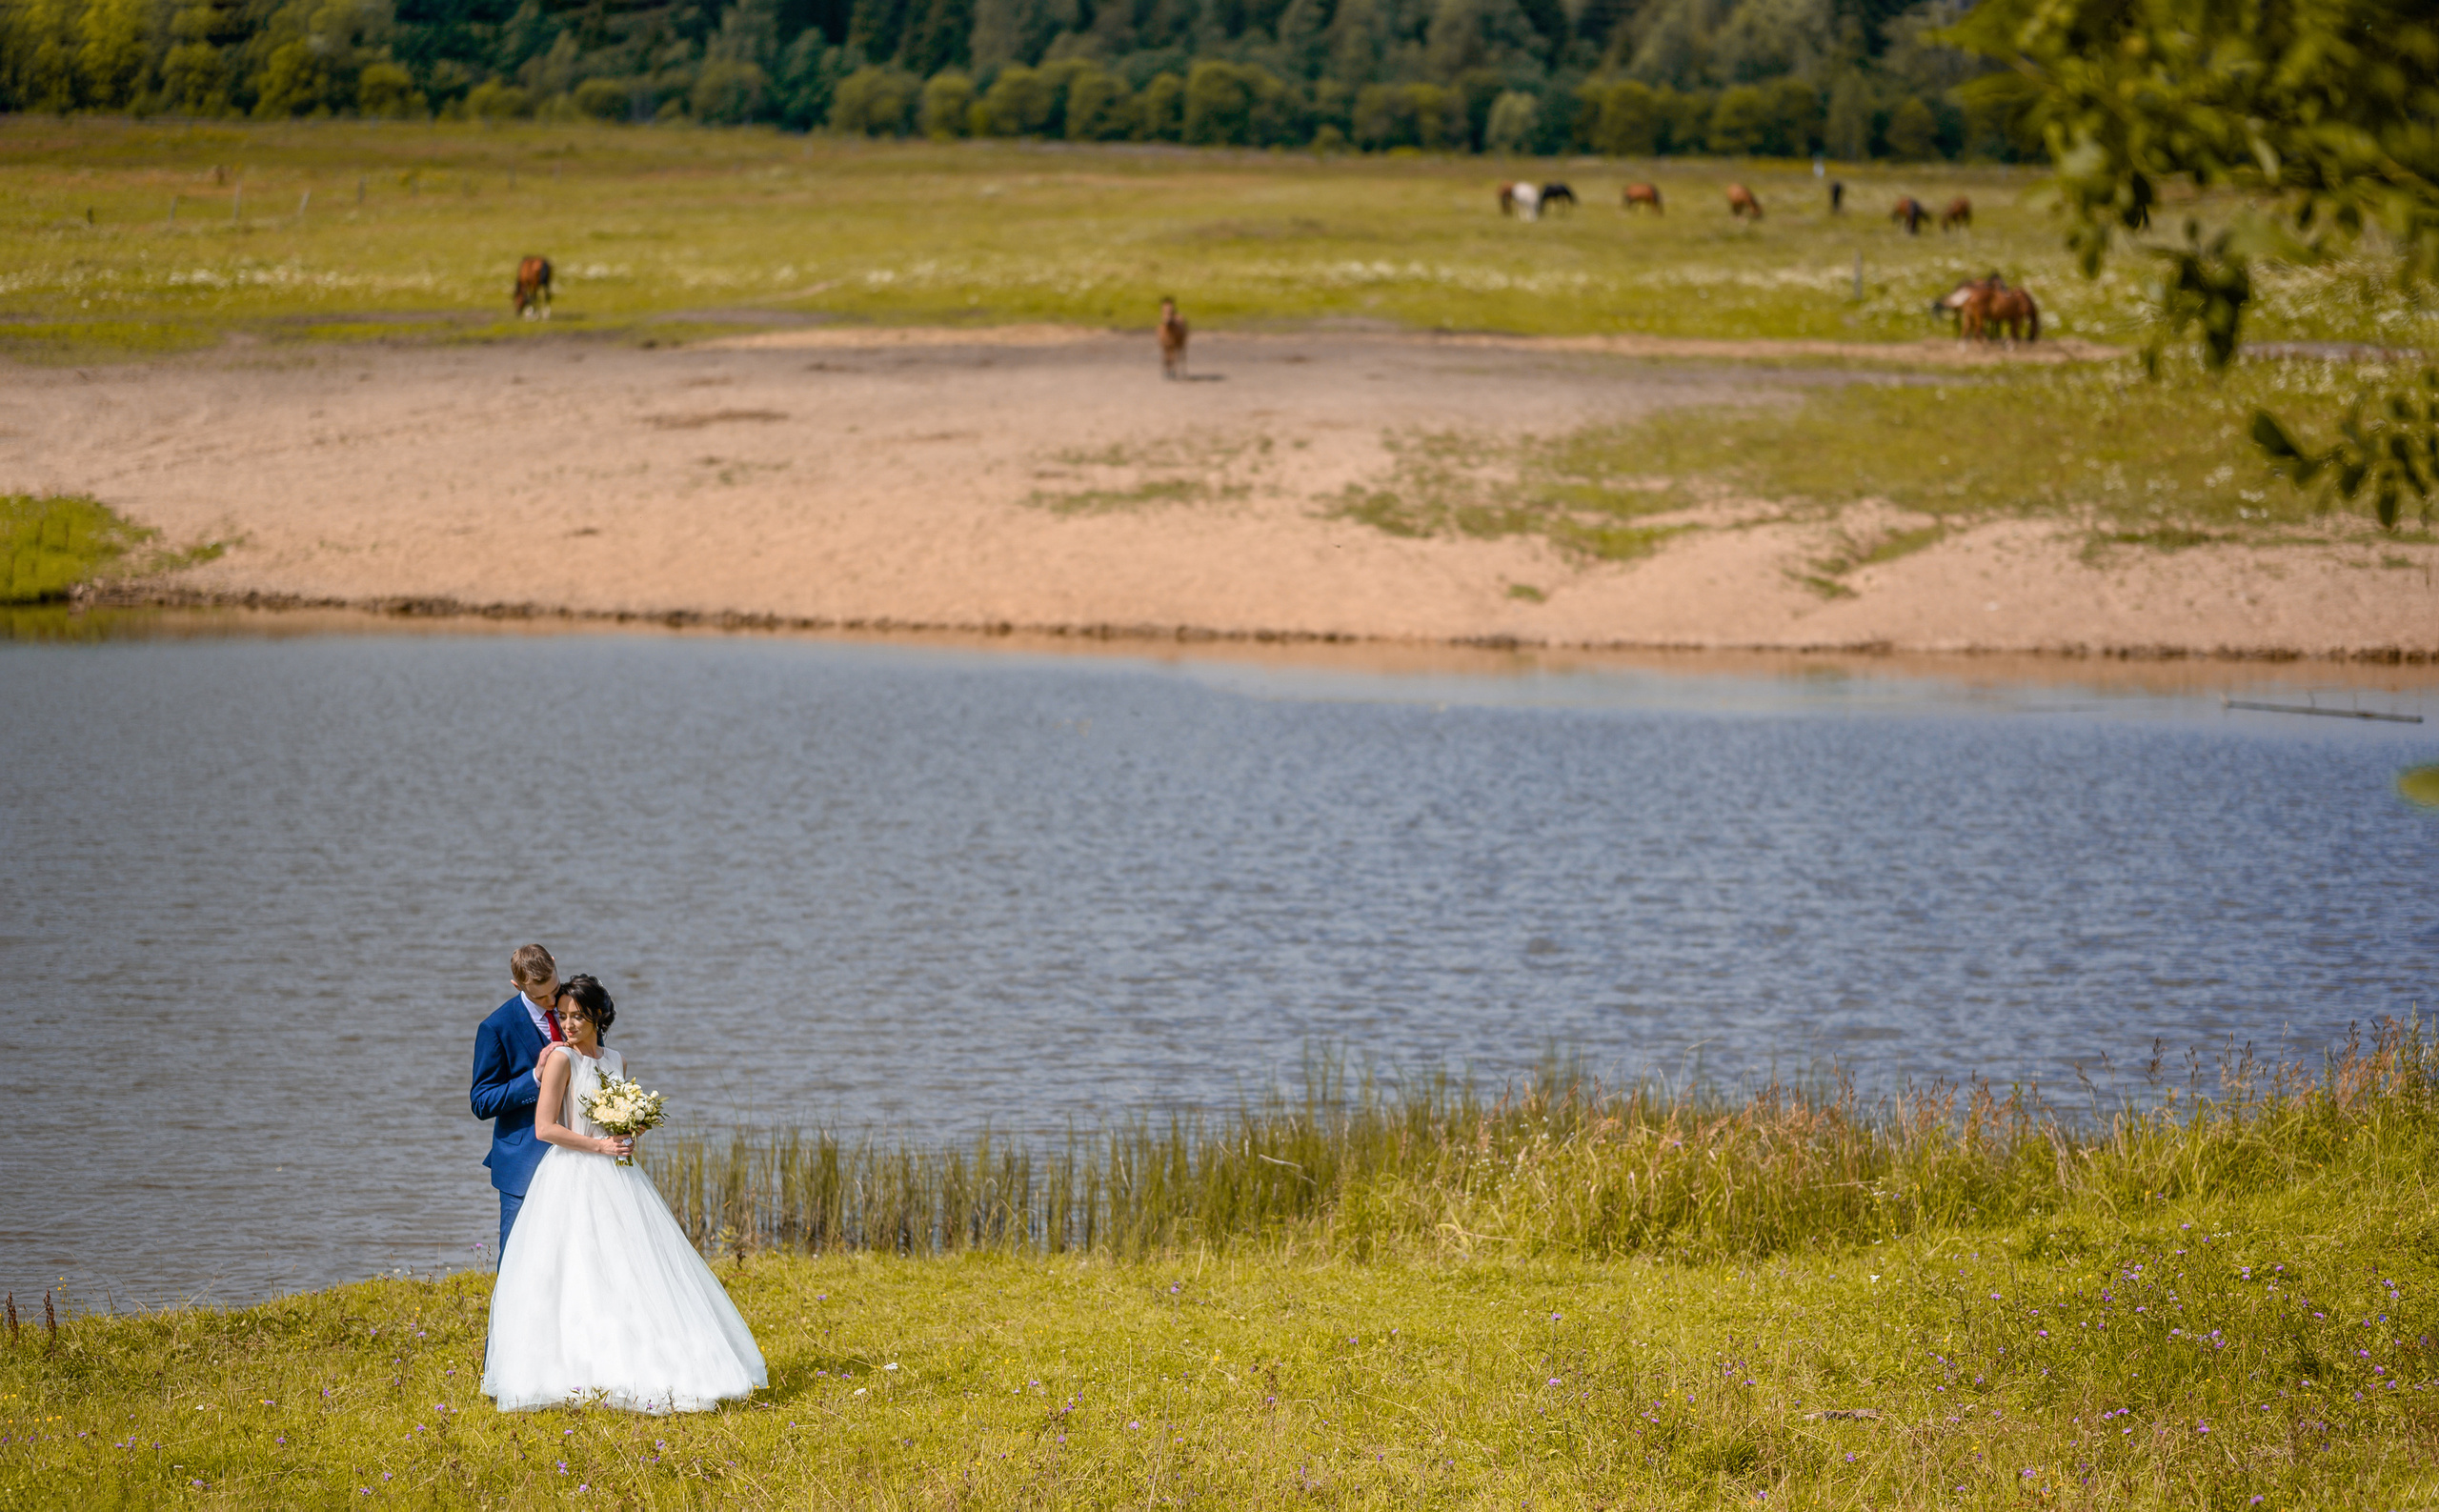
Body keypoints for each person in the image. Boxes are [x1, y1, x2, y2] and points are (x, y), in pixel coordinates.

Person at [481, 976, 768, 1413]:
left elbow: (616, 1117)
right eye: (563, 1016)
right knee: (577, 1268)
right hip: (572, 1173)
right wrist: (599, 1145)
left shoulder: (616, 1060)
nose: (568, 1024)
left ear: (598, 1017)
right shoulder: (559, 1059)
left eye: (578, 1016)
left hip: (618, 1176)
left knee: (632, 1265)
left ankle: (648, 1360)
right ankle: (572, 1370)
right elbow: (545, 1128)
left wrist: (632, 1126)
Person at [469, 943, 566, 1261]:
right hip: (523, 1160)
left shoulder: (577, 1007)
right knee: (517, 1258)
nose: (551, 1001)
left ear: (554, 963)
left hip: (579, 1154)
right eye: (540, 997)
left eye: (554, 990)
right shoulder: (496, 1028)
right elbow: (481, 1101)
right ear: (517, 985)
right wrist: (535, 1077)